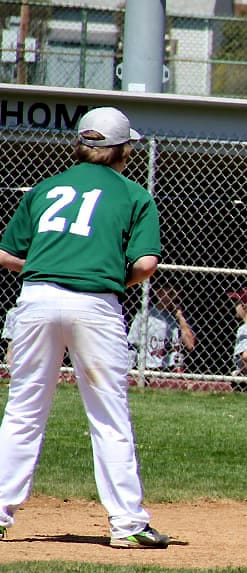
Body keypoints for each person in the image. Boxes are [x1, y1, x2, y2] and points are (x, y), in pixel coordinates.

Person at [0, 106, 170, 548]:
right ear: (121, 150)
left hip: (36, 300)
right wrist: (113, 278)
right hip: (96, 304)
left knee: (23, 411)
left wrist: (44, 269)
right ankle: (128, 525)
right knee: (108, 416)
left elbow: (5, 253)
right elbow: (147, 263)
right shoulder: (134, 195)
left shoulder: (44, 189)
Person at [127, 280, 196, 371]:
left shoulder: (181, 317)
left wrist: (180, 317)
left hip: (173, 367)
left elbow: (190, 345)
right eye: (170, 292)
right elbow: (133, 343)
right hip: (150, 366)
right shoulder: (146, 314)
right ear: (158, 292)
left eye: (176, 291)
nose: (174, 295)